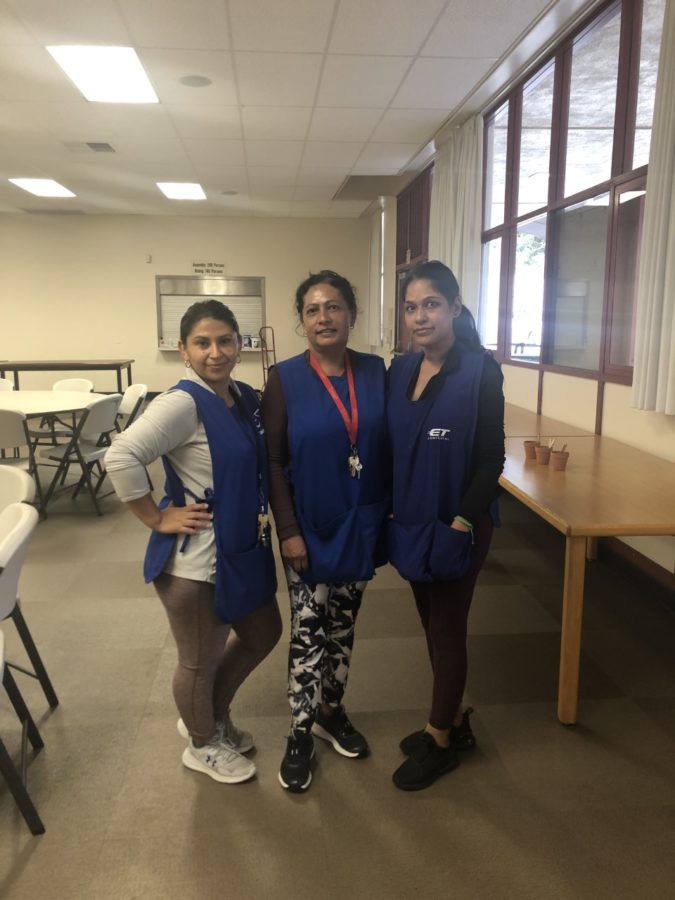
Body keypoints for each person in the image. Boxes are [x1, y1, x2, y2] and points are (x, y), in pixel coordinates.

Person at [106, 300, 281, 785]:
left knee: (263, 633)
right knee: (198, 660)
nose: (215, 352)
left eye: (225, 340)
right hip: (197, 560)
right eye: (202, 343)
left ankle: (208, 716)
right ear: (183, 350)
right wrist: (155, 517)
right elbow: (120, 457)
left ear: (239, 344)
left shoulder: (241, 396)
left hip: (241, 548)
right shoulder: (183, 402)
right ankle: (201, 743)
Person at [262, 270, 388, 793]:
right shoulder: (284, 378)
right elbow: (271, 463)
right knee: (308, 631)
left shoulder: (377, 371)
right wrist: (287, 530)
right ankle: (298, 731)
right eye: (313, 310)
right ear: (301, 322)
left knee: (344, 624)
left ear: (352, 316)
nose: (324, 318)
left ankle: (331, 711)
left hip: (360, 524)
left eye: (333, 307)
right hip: (309, 531)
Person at [386, 260, 505, 791]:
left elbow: (491, 459)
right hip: (412, 522)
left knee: (447, 627)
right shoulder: (401, 371)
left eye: (431, 304)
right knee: (429, 620)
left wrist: (462, 521)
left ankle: (438, 738)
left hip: (458, 525)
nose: (419, 317)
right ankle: (454, 721)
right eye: (411, 307)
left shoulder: (482, 369)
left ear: (455, 307)